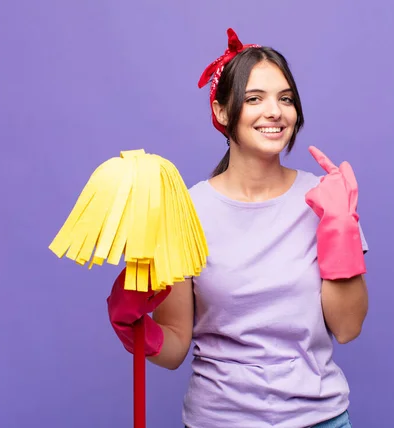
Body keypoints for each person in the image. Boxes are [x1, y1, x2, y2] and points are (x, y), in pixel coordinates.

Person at [106, 28, 369, 428]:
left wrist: (339, 227)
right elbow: (176, 346)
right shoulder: (186, 211)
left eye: (285, 99)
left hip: (319, 420)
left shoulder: (325, 197)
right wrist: (135, 328)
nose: (275, 112)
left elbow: (347, 328)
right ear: (222, 112)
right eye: (254, 99)